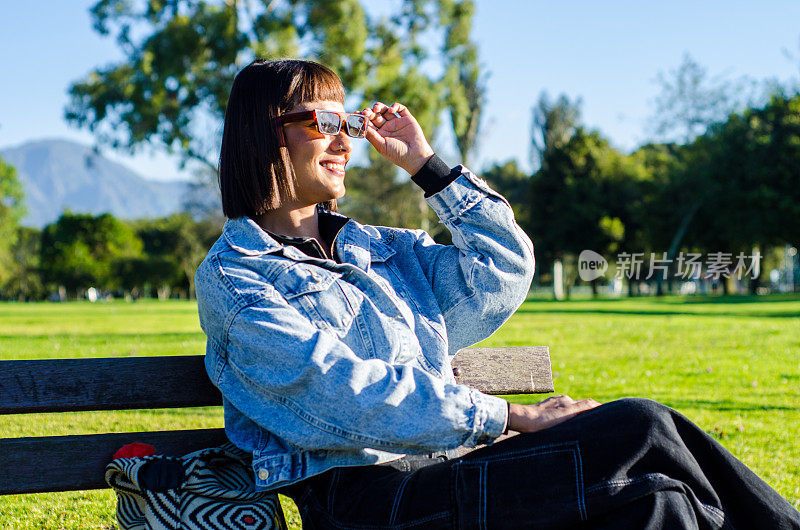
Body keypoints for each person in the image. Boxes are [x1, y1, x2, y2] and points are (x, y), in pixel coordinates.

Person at [195, 59, 800, 529]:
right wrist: (511, 416)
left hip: (444, 472)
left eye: (348, 123)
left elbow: (503, 269)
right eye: (323, 123)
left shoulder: (384, 251)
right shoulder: (237, 277)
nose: (346, 141)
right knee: (640, 427)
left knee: (660, 507)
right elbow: (339, 393)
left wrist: (428, 166)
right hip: (366, 504)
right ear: (265, 136)